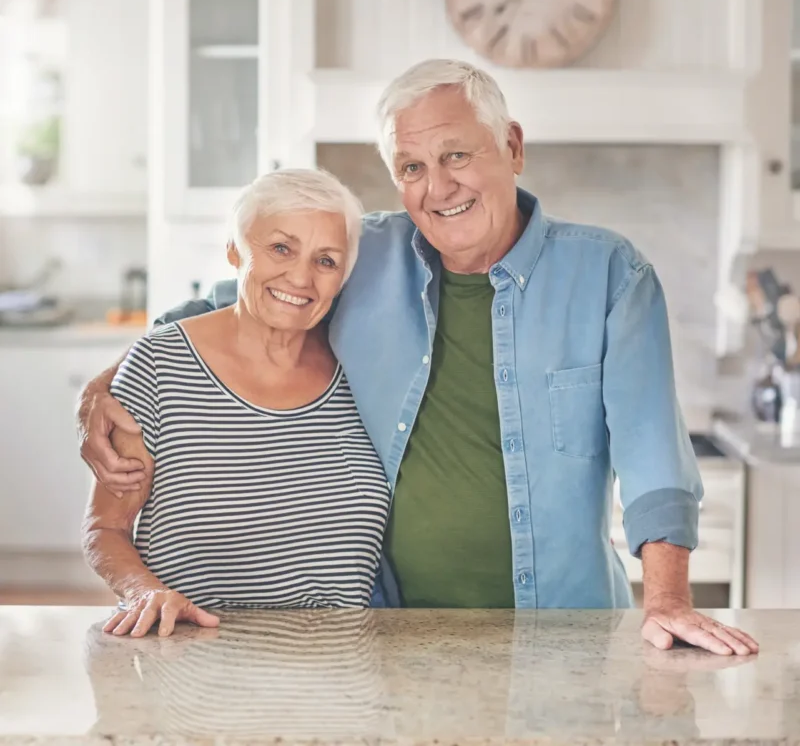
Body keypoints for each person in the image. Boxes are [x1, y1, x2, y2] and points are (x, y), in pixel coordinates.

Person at [78, 59, 758, 656]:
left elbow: (653, 459)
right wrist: (106, 389)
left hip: (562, 637)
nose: (438, 187)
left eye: (457, 156)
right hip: (392, 640)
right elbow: (238, 302)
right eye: (412, 168)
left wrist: (667, 599)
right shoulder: (363, 256)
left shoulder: (610, 274)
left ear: (512, 146)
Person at [81, 169, 391, 637]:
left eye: (326, 261)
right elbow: (105, 529)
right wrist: (143, 590)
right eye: (281, 248)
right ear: (234, 249)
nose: (301, 276)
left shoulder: (364, 372)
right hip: (191, 664)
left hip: (340, 673)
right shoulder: (160, 365)